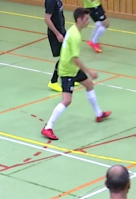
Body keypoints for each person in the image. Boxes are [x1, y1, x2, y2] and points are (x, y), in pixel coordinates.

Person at [41, 8, 111, 141]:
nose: (88, 21)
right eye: (86, 19)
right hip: (67, 70)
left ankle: (98, 114)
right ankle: (48, 127)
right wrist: (89, 71)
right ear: (79, 20)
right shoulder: (75, 36)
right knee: (67, 100)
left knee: (89, 85)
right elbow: (75, 58)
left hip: (72, 68)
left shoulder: (74, 30)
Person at [45, 0, 66, 92]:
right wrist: (58, 34)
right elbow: (47, 19)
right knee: (64, 57)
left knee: (70, 54)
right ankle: (53, 81)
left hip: (62, 30)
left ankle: (70, 77)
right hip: (56, 33)